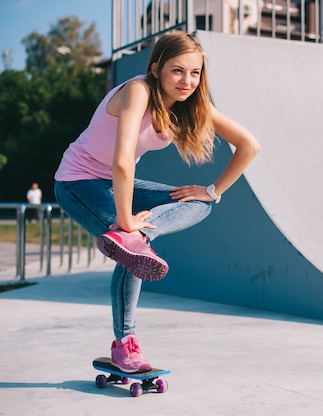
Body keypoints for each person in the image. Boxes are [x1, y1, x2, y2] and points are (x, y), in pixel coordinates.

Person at [54, 31, 260, 373]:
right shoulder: (138, 91)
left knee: (201, 204)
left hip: (118, 182)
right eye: (177, 71)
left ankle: (139, 242)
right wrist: (126, 220)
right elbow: (122, 160)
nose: (187, 81)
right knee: (131, 244)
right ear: (156, 69)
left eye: (195, 73)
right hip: (77, 182)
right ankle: (125, 342)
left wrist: (212, 190)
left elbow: (249, 144)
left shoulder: (191, 104)